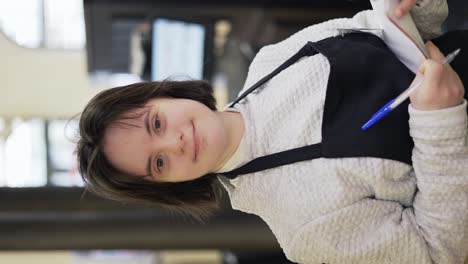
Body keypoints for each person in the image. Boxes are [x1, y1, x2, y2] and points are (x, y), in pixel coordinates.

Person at [76, 0, 468, 263]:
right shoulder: (304, 233)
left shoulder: (272, 59)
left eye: (156, 123)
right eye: (159, 163)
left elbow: (412, 29)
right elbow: (441, 251)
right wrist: (440, 121)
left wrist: (408, 5)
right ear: (170, 186)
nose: (174, 143)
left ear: (163, 94)